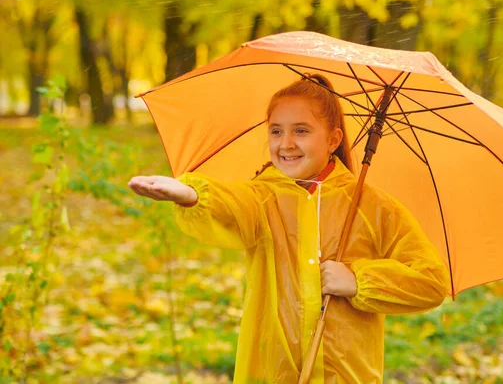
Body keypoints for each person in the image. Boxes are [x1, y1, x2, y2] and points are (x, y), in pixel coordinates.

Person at [128, 73, 450, 383]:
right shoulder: (264, 197)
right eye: (276, 131)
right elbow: (231, 203)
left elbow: (430, 281)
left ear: (333, 139)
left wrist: (358, 281)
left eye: (301, 131)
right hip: (273, 372)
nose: (286, 144)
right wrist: (192, 194)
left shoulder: (371, 206)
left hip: (348, 374)